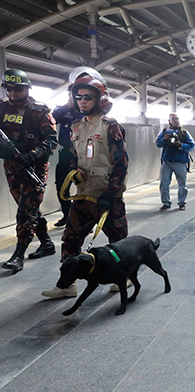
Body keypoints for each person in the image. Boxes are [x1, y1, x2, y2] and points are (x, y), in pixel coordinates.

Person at [41, 74, 129, 298]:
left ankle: (124, 277)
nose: (82, 101)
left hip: (107, 194)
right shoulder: (75, 126)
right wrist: (74, 170)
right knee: (70, 238)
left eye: (88, 97)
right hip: (83, 194)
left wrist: (111, 194)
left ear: (100, 99)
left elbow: (121, 163)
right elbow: (73, 155)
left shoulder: (110, 125)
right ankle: (67, 285)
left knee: (118, 241)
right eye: (78, 97)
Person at [0, 68, 58, 273]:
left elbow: (51, 140)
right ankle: (47, 244)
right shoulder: (2, 108)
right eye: (9, 89)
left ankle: (19, 254)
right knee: (29, 208)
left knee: (25, 211)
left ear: (26, 88)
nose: (13, 93)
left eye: (17, 89)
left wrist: (33, 154)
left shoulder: (38, 111)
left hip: (34, 167)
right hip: (12, 167)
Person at [51, 91, 83, 228]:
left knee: (84, 187)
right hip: (65, 153)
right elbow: (51, 119)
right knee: (61, 187)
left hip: (82, 154)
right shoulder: (63, 111)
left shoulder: (86, 110)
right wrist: (66, 106)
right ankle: (68, 215)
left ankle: (83, 219)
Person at [156, 113, 195, 211]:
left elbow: (192, 145)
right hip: (167, 161)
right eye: (173, 119)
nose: (176, 120)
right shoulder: (164, 131)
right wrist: (164, 140)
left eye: (177, 119)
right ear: (169, 121)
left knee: (182, 183)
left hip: (180, 161)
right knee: (164, 183)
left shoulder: (184, 132)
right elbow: (157, 143)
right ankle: (166, 203)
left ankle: (182, 202)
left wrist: (181, 145)